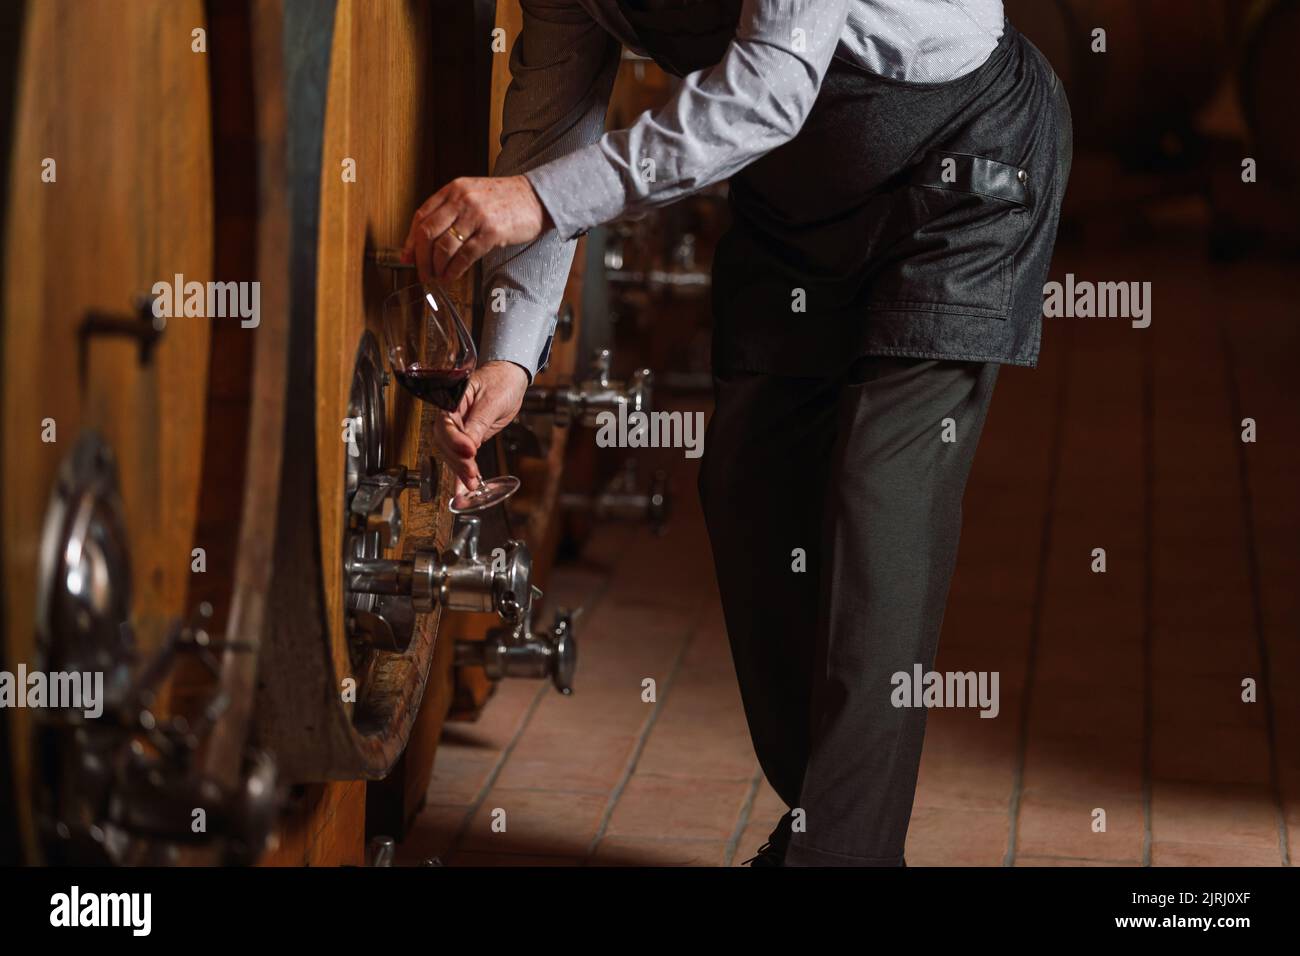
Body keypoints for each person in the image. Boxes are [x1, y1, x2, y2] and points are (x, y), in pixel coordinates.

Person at [402, 0, 1071, 867]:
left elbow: (766, 92)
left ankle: (841, 857)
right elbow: (549, 133)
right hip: (795, 210)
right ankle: (830, 825)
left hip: (960, 177)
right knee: (747, 491)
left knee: (879, 515)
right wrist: (511, 355)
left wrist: (537, 199)